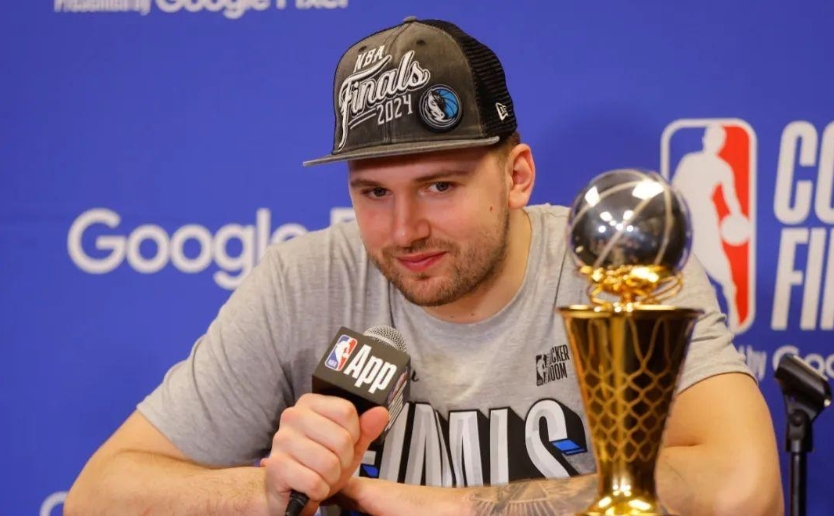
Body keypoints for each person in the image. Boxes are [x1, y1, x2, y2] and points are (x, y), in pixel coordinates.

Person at [65, 17, 783, 516]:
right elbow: (98, 496)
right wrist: (268, 492)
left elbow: (746, 488)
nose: (405, 230)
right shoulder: (304, 282)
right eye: (373, 193)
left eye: (440, 186)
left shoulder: (616, 267)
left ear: (517, 176)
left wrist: (435, 506)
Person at [671, 124, 751, 332]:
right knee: (676, 274)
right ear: (705, 139)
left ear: (721, 143)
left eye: (718, 139)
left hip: (707, 218)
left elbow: (730, 197)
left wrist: (737, 216)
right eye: (711, 137)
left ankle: (733, 314)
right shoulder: (690, 160)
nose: (714, 142)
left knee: (721, 269)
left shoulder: (722, 168)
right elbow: (674, 190)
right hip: (684, 219)